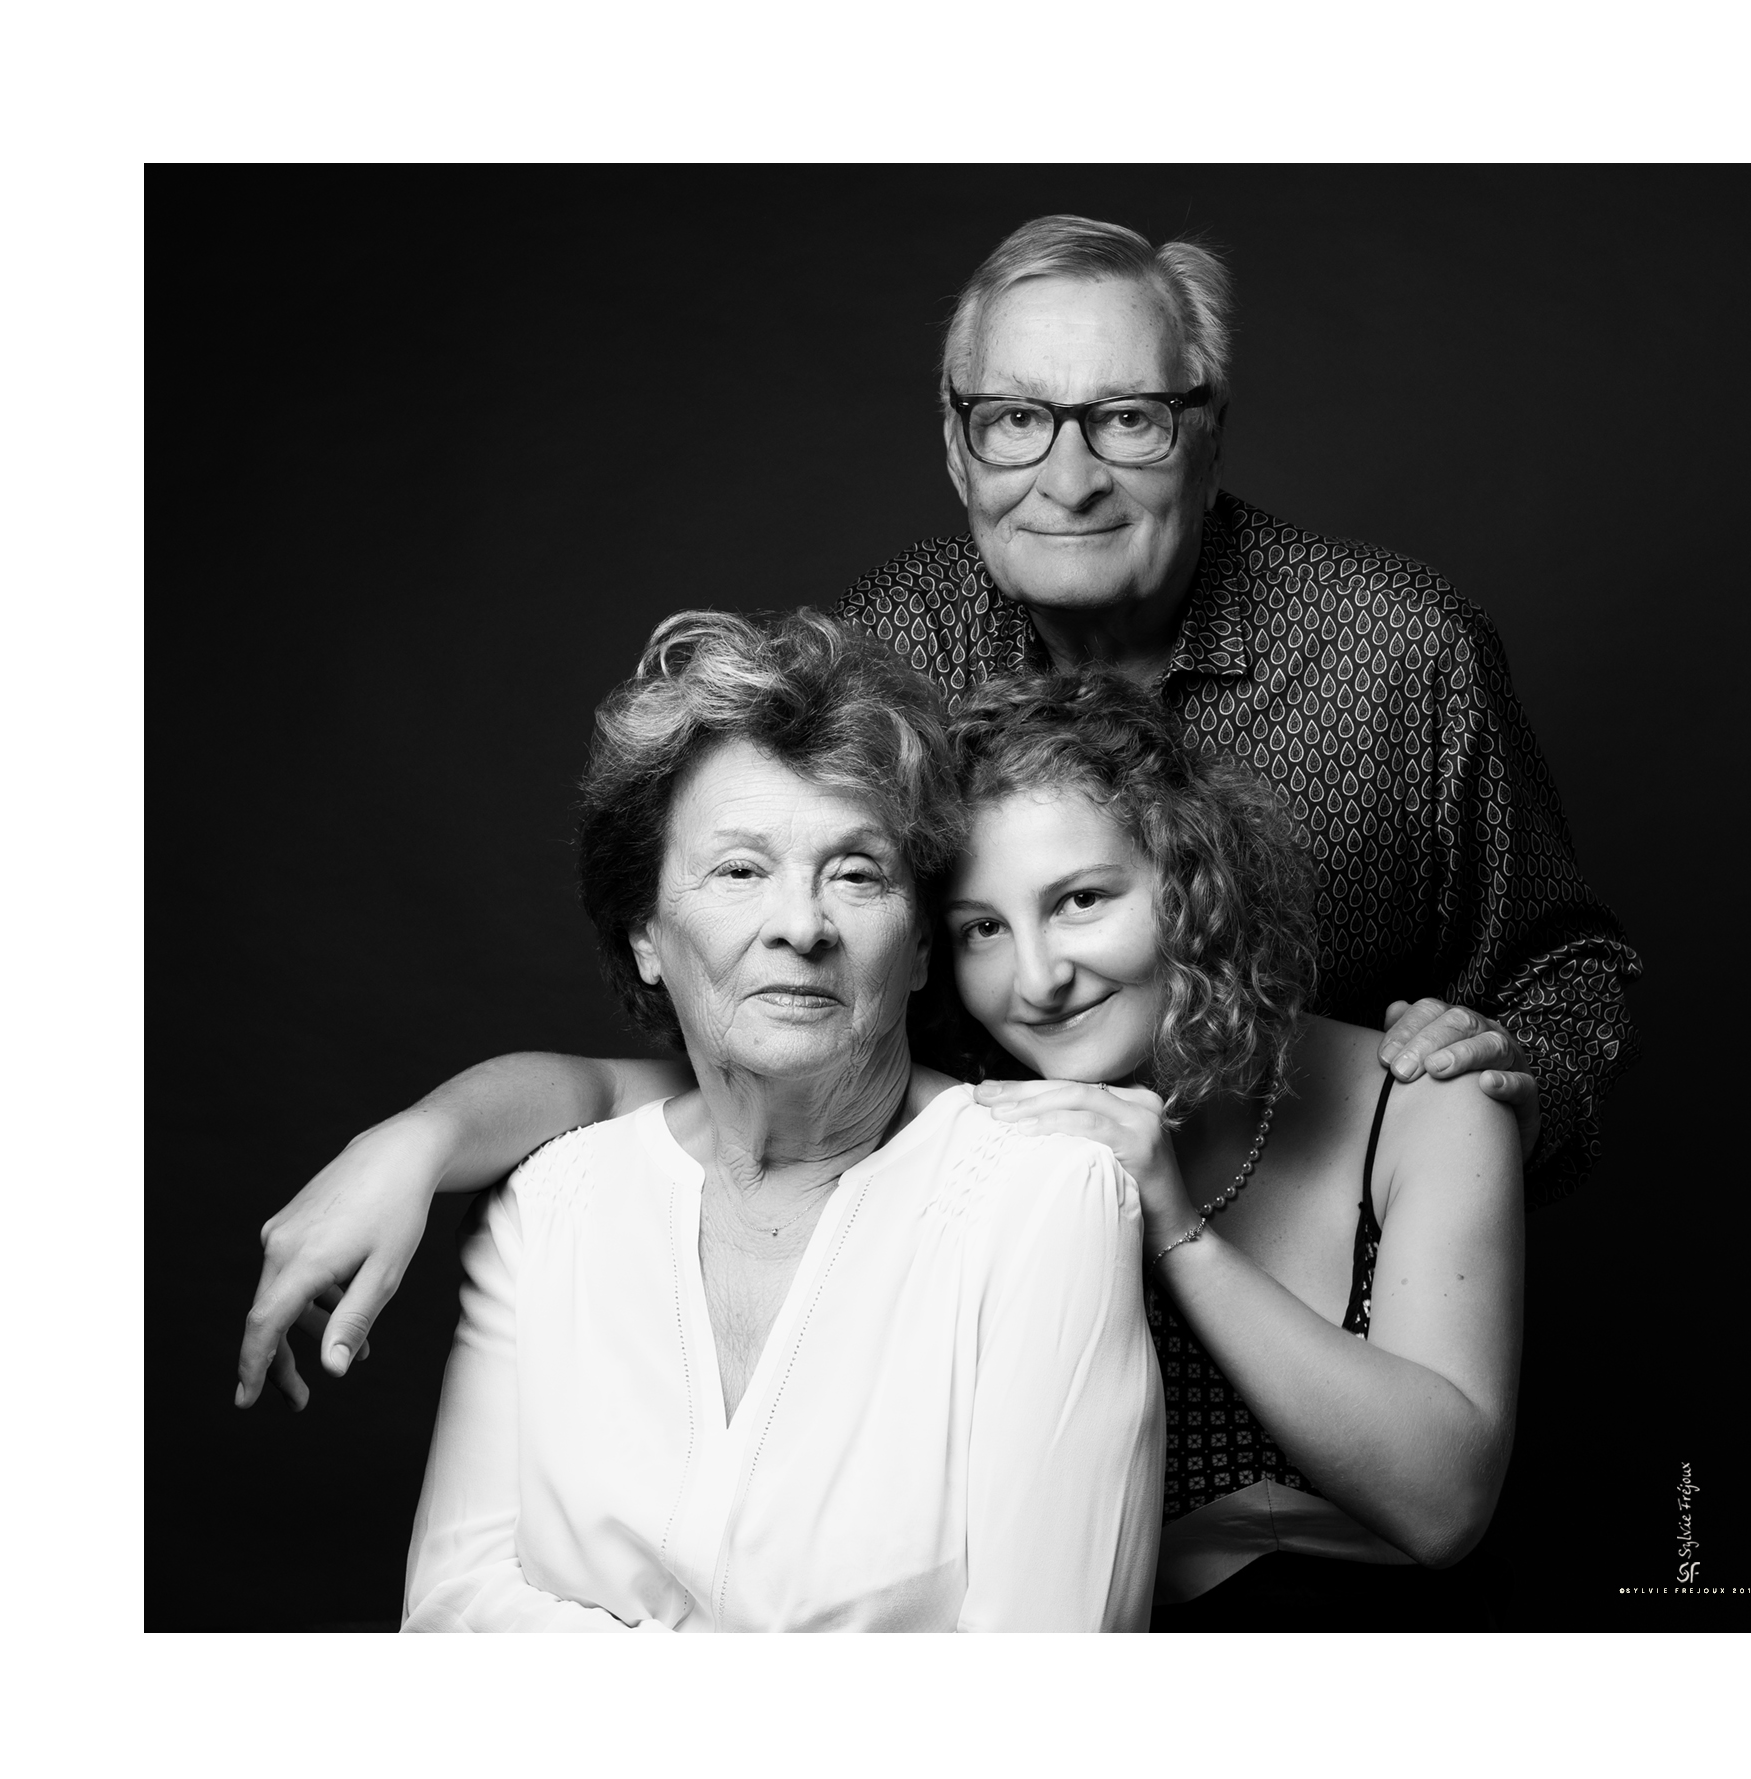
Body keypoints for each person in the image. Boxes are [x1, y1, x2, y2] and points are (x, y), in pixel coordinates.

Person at [239, 210, 1633, 1403]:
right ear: (960, 445)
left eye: (1126, 417)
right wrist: (423, 1136)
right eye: (1015, 418)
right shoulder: (882, 664)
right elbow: (756, 1049)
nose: (1067, 475)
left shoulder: (1401, 651)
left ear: (1205, 428)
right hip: (979, 1360)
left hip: (1342, 1341)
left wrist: (1493, 1083)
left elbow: (1572, 973)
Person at [399, 608, 1162, 1631]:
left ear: (923, 945)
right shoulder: (548, 1209)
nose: (801, 925)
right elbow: (451, 1617)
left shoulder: (1042, 1201)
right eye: (740, 870)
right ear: (645, 935)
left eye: (856, 873)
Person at [937, 669, 1520, 1629]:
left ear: (1194, 881)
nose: (1037, 977)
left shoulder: (1428, 1100)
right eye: (983, 929)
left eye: (1081, 899)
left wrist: (1173, 1225)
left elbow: (1444, 1506)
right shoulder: (978, 1131)